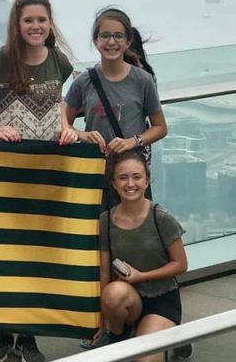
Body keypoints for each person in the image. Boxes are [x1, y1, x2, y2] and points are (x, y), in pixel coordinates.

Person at [0, 0, 76, 362]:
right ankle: (1, 331)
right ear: (16, 24)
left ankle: (28, 334)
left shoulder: (59, 62)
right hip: (3, 173)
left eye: (41, 20)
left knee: (36, 254)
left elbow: (60, 105)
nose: (36, 26)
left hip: (46, 174)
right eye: (28, 20)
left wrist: (67, 127)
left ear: (50, 24)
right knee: (2, 252)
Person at [84, 151, 188, 362]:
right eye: (122, 177)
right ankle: (120, 335)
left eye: (137, 177)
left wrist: (141, 276)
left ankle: (170, 336)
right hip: (127, 300)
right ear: (113, 183)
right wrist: (102, 320)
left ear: (147, 181)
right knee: (113, 293)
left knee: (145, 360)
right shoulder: (106, 220)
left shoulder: (161, 217)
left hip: (161, 298)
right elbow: (104, 272)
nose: (130, 184)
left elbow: (181, 264)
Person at [63, 7, 168, 207]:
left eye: (118, 36)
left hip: (131, 174)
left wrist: (133, 141)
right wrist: (82, 135)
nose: (112, 42)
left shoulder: (142, 80)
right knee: (98, 230)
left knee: (135, 229)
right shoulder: (83, 82)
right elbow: (63, 123)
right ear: (96, 41)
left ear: (128, 41)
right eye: (105, 36)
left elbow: (160, 127)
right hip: (95, 171)